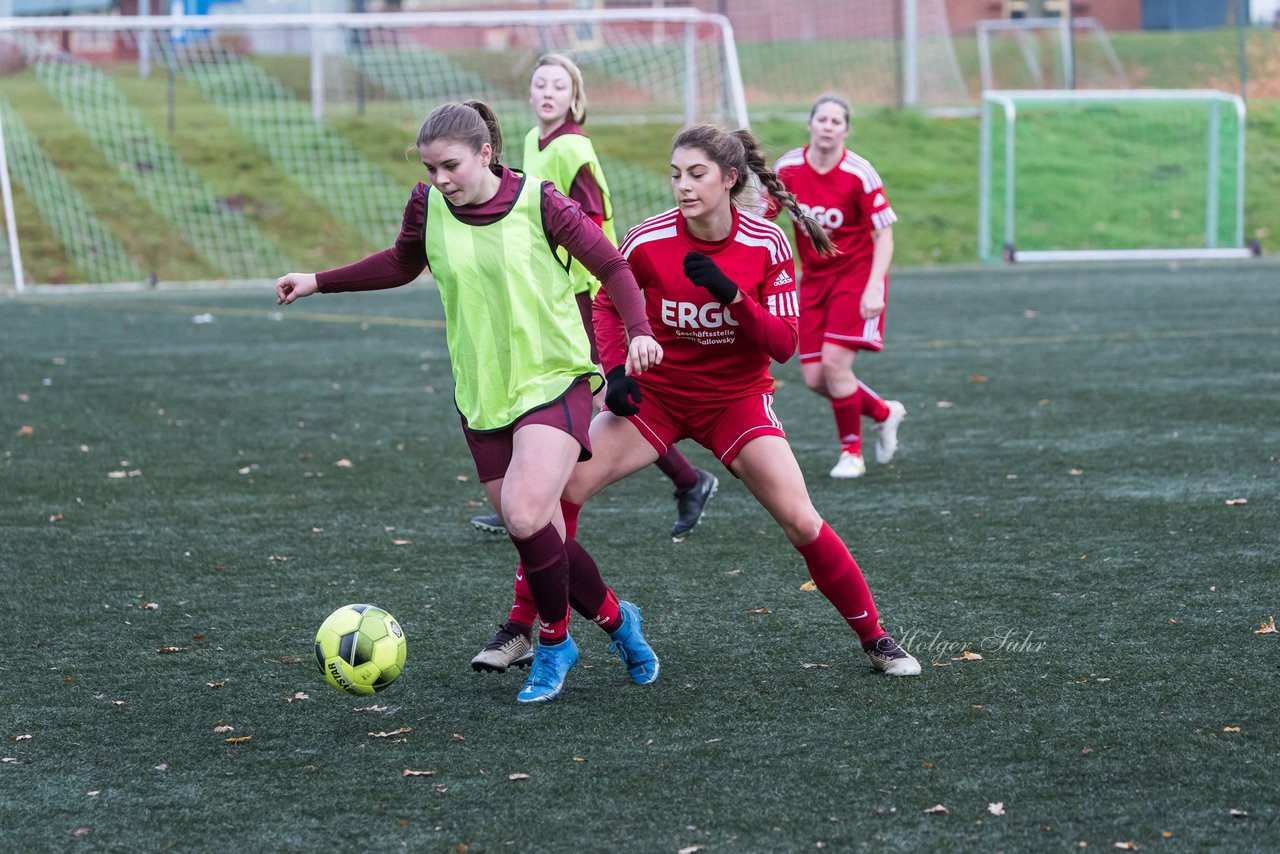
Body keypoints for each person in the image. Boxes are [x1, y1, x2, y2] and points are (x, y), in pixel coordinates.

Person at [480, 123, 921, 679]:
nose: (682, 187)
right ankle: (526, 626)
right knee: (556, 492)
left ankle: (876, 638)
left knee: (801, 520)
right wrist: (614, 370)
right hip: (660, 399)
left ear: (730, 178)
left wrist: (731, 295)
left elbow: (784, 345)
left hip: (735, 402)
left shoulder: (767, 242)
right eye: (675, 175)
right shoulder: (647, 239)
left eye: (696, 174)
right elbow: (608, 305)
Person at [274, 101, 664, 704]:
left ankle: (556, 643)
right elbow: (401, 264)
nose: (441, 179)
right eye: (431, 168)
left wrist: (638, 330)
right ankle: (619, 621)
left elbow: (611, 265)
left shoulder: (542, 202)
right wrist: (318, 279)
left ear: (485, 153)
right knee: (539, 530)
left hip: (553, 377)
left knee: (528, 512)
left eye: (451, 165)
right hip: (481, 391)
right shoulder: (428, 207)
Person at [468, 53, 717, 542]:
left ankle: (689, 480)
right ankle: (525, 494)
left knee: (597, 392)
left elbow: (592, 218)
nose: (547, 93)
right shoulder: (529, 142)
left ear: (574, 97)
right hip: (551, 289)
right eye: (540, 84)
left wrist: (587, 279)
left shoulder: (573, 147)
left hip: (585, 290)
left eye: (558, 86)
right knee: (546, 383)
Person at [769, 94, 906, 479]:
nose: (828, 126)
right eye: (822, 119)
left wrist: (875, 286)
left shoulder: (859, 173)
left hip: (856, 276)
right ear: (810, 124)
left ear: (846, 130)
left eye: (836, 121)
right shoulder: (788, 169)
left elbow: (884, 236)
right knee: (815, 378)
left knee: (834, 364)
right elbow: (764, 214)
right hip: (813, 280)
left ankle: (852, 453)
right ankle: (883, 412)